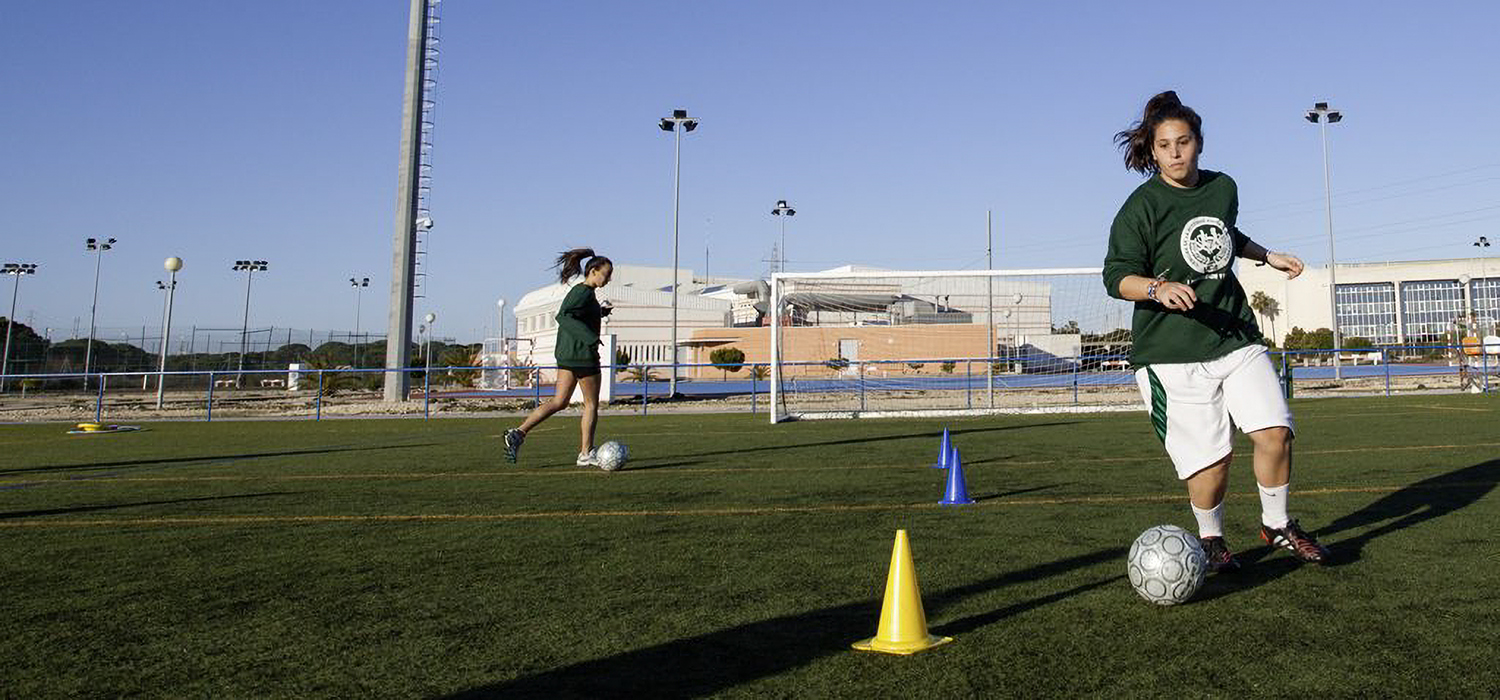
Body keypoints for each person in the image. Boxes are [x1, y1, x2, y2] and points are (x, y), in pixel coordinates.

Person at [1103, 91, 1331, 570]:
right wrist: (1156, 288)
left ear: (1199, 142)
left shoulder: (1223, 186)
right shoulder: (1140, 207)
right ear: (1152, 150)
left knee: (1275, 434)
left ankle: (1277, 524)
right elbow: (1116, 276)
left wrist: (1267, 255)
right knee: (1212, 466)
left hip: (1234, 337)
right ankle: (1211, 541)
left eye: (1183, 141)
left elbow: (1226, 233)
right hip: (1170, 354)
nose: (1175, 152)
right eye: (1164, 145)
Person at [503, 248, 614, 466]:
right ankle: (585, 453)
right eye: (606, 274)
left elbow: (576, 314)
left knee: (559, 401)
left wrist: (600, 313)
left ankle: (518, 433)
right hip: (582, 356)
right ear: (593, 271)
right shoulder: (582, 292)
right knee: (591, 405)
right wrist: (590, 337)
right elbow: (563, 316)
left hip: (568, 357)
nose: (608, 279)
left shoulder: (584, 294)